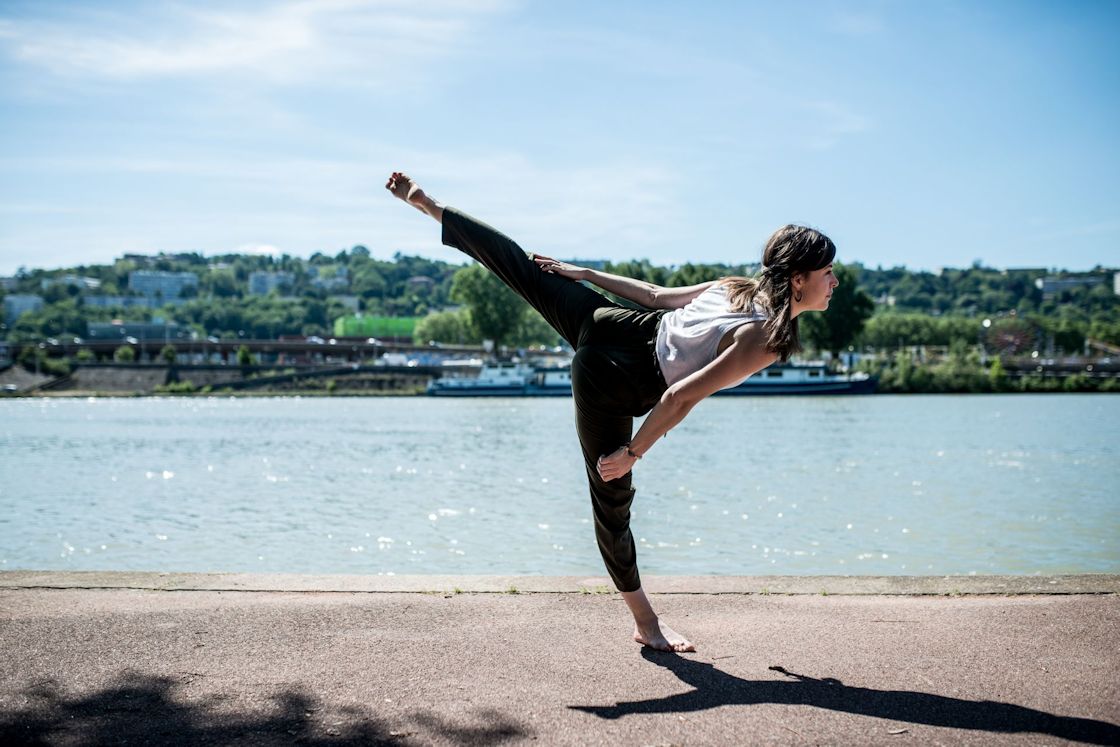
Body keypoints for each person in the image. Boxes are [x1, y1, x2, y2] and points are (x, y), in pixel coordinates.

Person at [386, 172, 838, 652]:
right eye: (827, 272)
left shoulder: (736, 288)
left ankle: (428, 206)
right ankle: (646, 623)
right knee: (612, 502)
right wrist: (632, 452)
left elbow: (656, 297)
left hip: (609, 320)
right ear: (797, 280)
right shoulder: (765, 337)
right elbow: (678, 397)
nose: (834, 281)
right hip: (615, 376)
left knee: (518, 266)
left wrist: (587, 277)